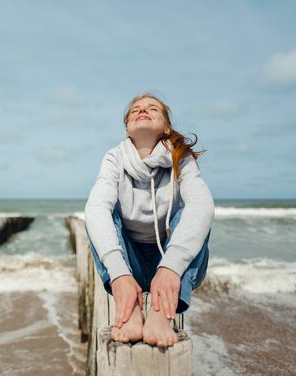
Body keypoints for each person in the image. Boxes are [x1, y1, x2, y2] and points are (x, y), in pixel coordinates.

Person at [84, 91, 215, 348]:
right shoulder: (114, 158)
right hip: (128, 265)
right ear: (127, 129)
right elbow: (96, 208)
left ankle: (160, 314)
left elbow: (202, 205)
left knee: (193, 213)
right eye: (136, 110)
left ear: (166, 126)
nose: (143, 110)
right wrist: (120, 274)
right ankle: (130, 310)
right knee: (98, 211)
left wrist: (170, 267)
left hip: (172, 264)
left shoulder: (181, 157)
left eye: (152, 108)